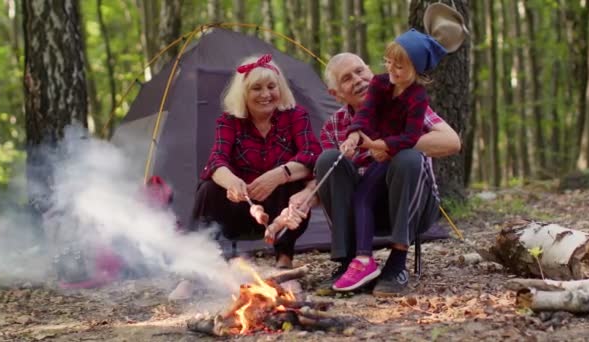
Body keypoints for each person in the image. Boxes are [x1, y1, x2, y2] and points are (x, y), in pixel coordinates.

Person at [270, 46, 460, 296]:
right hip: (363, 210)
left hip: (413, 207)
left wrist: (393, 142)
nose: (358, 80)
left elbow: (452, 142)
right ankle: (349, 261)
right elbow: (328, 182)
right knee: (328, 159)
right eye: (347, 79)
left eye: (360, 71)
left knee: (408, 157)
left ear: (372, 72)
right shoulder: (334, 127)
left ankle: (397, 264)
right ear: (336, 94)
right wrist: (302, 200)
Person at [331, 29, 448, 292]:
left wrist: (381, 145)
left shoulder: (418, 98)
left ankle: (397, 262)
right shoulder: (380, 84)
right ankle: (362, 260)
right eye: (388, 62)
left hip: (400, 167)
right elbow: (366, 114)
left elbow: (410, 136)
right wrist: (353, 133)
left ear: (416, 69)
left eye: (400, 65)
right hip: (380, 164)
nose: (392, 70)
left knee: (407, 158)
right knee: (362, 196)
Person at [191, 54, 322, 269]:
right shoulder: (228, 121)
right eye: (256, 88)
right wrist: (232, 182)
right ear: (243, 93)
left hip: (281, 211)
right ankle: (198, 267)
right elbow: (215, 161)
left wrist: (279, 175)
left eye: (272, 87)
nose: (266, 94)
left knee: (297, 187)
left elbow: (312, 155)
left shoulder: (296, 115)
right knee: (208, 189)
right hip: (241, 210)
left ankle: (284, 259)